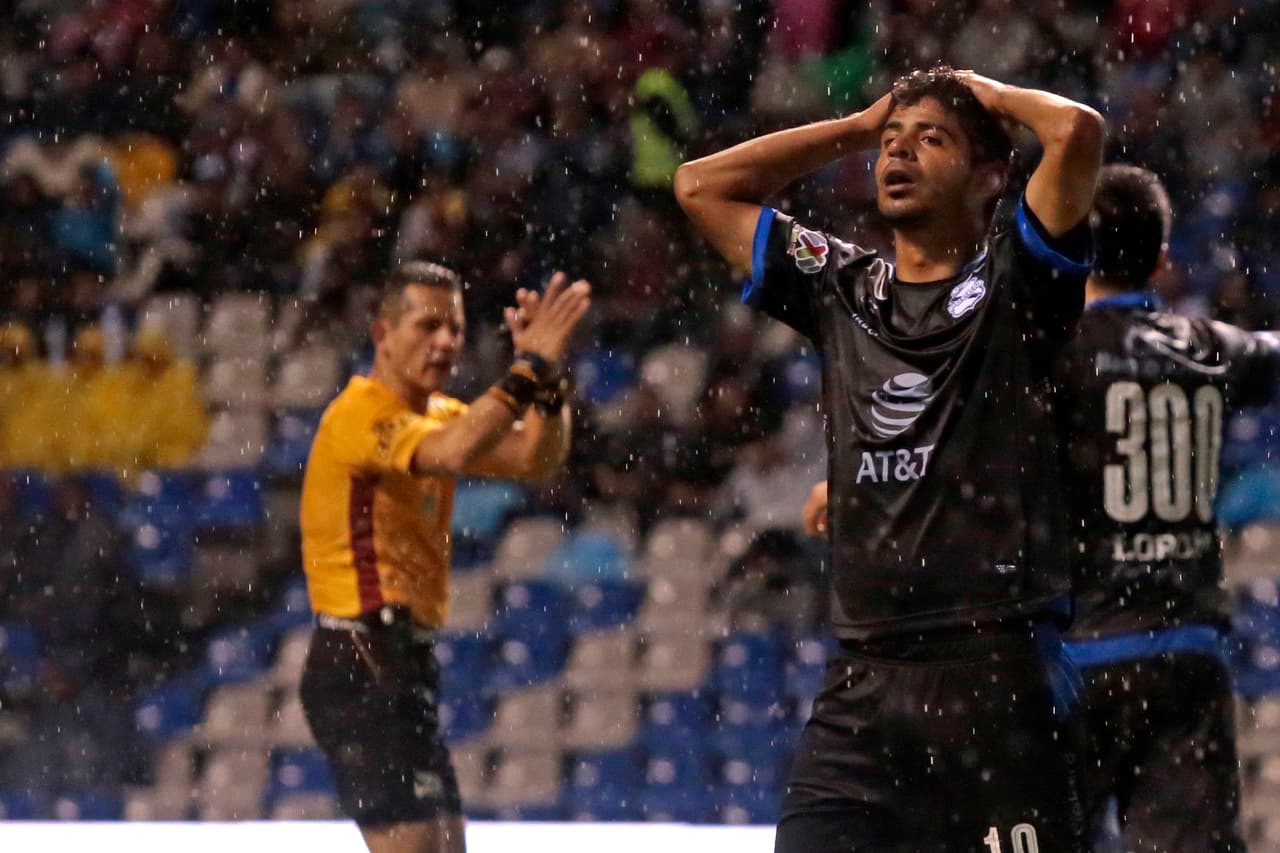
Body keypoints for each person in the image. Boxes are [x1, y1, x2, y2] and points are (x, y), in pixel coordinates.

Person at [676, 65, 1103, 851]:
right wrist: (859, 124)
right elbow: (700, 186)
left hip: (996, 674)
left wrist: (990, 95)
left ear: (990, 176)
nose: (898, 154)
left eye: (931, 139)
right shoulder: (842, 283)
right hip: (862, 686)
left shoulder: (1018, 277)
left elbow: (1075, 132)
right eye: (892, 144)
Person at [298, 261, 590, 853]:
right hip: (361, 660)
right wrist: (524, 370)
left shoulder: (435, 413)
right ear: (382, 334)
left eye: (454, 329)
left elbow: (536, 457)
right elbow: (453, 452)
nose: (446, 342)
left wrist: (550, 382)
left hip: (400, 663)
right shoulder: (361, 415)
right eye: (427, 326)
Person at [1056, 165, 1276, 851]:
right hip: (1185, 655)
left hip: (1075, 658)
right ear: (1160, 260)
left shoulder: (1050, 357)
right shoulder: (1210, 349)